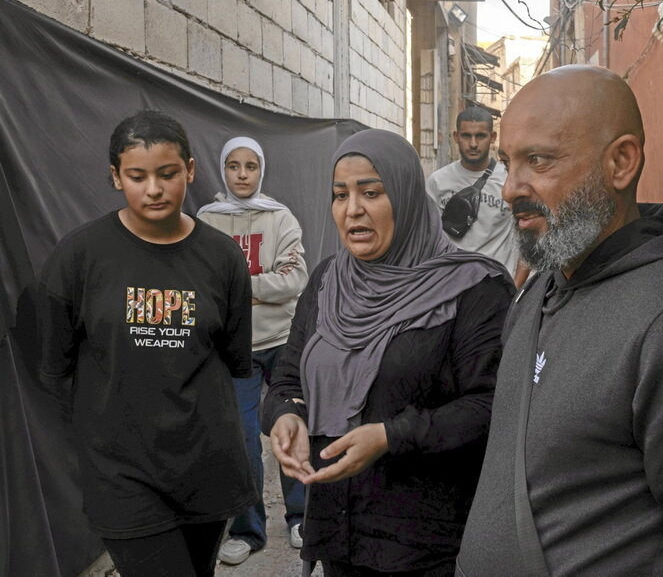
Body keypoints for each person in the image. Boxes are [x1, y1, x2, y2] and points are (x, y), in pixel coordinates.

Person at [456, 65, 663, 575]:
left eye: (538, 160)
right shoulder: (539, 289)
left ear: (621, 162)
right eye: (508, 163)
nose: (512, 188)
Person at [262, 129, 515, 576]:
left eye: (371, 192)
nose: (352, 209)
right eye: (340, 195)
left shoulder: (475, 289)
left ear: (407, 198)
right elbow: (288, 374)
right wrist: (286, 415)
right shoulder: (326, 282)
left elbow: (490, 405)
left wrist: (391, 436)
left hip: (425, 539)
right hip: (338, 527)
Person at [36, 110, 257, 577]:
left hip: (207, 465)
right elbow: (55, 364)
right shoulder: (78, 258)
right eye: (137, 176)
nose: (153, 189)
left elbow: (235, 358)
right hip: (122, 475)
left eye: (168, 174)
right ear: (115, 177)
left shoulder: (222, 257)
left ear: (191, 172)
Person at [197, 136, 308, 564]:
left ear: (262, 169)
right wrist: (263, 289)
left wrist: (240, 289)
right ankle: (248, 528)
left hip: (282, 341)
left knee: (291, 428)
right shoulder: (206, 220)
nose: (242, 175)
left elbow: (294, 279)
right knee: (242, 440)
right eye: (233, 166)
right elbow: (203, 283)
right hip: (234, 347)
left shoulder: (281, 217)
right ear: (222, 170)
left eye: (251, 166)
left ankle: (300, 517)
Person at [426, 106, 528, 286]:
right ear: (456, 137)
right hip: (451, 286)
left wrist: (515, 288)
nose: (473, 144)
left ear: (493, 137)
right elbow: (428, 238)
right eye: (466, 136)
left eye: (480, 136)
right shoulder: (437, 181)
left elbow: (527, 239)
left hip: (498, 285)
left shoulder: (509, 179)